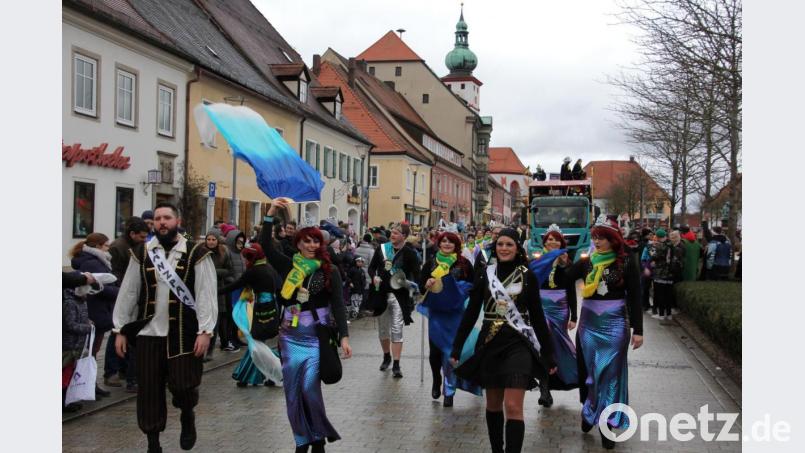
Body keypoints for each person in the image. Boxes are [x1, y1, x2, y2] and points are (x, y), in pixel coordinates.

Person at [112, 202, 217, 453]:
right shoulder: (142, 252)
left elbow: (206, 294)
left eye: (167, 217)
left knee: (183, 385)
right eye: (158, 218)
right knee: (149, 391)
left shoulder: (196, 253)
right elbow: (128, 292)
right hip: (149, 334)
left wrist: (206, 331)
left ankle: (187, 413)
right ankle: (153, 443)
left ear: (177, 221)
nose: (161, 222)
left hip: (183, 333)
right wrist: (120, 329)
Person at [451, 229, 556, 453]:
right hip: (489, 343)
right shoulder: (484, 273)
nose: (504, 248)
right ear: (495, 247)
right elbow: (470, 313)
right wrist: (457, 347)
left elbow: (537, 317)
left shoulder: (527, 275)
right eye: (500, 244)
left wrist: (548, 353)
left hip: (519, 344)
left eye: (509, 244)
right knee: (493, 405)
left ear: (518, 248)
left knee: (513, 405)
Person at [261, 199, 352, 453]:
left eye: (315, 241)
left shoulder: (329, 270)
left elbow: (338, 304)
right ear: (298, 243)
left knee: (309, 388)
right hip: (290, 334)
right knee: (292, 392)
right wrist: (270, 214)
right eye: (306, 241)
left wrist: (344, 336)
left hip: (316, 335)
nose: (311, 245)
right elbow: (266, 245)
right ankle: (303, 439)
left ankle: (318, 439)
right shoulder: (289, 265)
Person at [564, 219, 643, 449]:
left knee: (609, 373)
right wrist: (559, 263)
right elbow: (565, 279)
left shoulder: (626, 262)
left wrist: (638, 330)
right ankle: (589, 410)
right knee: (590, 372)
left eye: (602, 237)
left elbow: (636, 296)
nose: (597, 241)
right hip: (588, 325)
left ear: (613, 240)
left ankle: (608, 422)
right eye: (595, 237)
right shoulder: (587, 262)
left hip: (615, 324)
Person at [419, 232, 481, 407]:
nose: (446, 244)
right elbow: (421, 283)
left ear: (456, 245)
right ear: (439, 244)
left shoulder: (464, 264)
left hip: (456, 314)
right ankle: (436, 379)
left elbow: (473, 285)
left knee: (451, 352)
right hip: (437, 313)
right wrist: (427, 284)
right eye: (444, 241)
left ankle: (449, 390)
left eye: (450, 242)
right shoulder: (431, 263)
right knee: (435, 352)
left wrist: (460, 290)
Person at [218, 242, 282, 387]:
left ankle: (274, 371)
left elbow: (236, 285)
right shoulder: (267, 267)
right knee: (258, 342)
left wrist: (216, 292)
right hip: (272, 307)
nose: (246, 260)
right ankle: (265, 375)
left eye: (247, 257)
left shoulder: (254, 271)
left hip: (263, 310)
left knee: (256, 343)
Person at [367, 222, 421, 378]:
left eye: (396, 233)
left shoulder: (410, 253)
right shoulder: (382, 249)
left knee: (397, 329)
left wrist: (413, 286)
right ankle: (386, 356)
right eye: (392, 232)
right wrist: (374, 276)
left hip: (399, 295)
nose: (392, 235)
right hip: (381, 294)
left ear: (403, 236)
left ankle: (397, 364)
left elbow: (417, 275)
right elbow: (372, 268)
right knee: (383, 330)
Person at [70, 232, 119, 399]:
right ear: (98, 246)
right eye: (106, 245)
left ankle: (90, 384)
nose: (108, 248)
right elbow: (101, 287)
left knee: (92, 351)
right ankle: (85, 386)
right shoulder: (94, 263)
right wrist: (118, 292)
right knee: (90, 351)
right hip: (96, 311)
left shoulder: (93, 260)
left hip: (95, 310)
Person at [533, 227, 578, 408]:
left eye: (556, 240)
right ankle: (545, 389)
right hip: (541, 304)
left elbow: (571, 289)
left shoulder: (566, 262)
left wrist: (574, 315)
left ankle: (573, 374)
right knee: (545, 342)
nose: (552, 243)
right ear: (544, 243)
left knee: (559, 344)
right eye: (549, 240)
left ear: (561, 244)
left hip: (560, 306)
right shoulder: (538, 261)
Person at [107, 217, 150, 392]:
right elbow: (115, 273)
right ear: (132, 234)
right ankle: (113, 372)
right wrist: (126, 292)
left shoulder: (139, 247)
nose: (144, 240)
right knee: (118, 335)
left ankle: (126, 372)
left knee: (132, 340)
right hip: (123, 296)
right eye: (141, 237)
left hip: (135, 297)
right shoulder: (119, 248)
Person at [63, 271, 95, 412]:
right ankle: (64, 402)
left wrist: (87, 322)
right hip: (69, 345)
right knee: (65, 374)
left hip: (77, 345)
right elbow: (69, 324)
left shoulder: (81, 301)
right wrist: (87, 327)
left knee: (71, 373)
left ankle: (69, 399)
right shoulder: (70, 303)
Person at [204, 230, 233, 362]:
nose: (210, 242)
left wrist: (214, 272)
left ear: (217, 241)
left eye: (213, 239)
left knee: (215, 321)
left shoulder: (223, 253)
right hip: (203, 291)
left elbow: (229, 270)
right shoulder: (200, 252)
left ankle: (210, 350)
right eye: (208, 239)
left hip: (218, 291)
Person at [644, 228, 682, 321]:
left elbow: (653, 256)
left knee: (660, 294)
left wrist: (651, 247)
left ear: (657, 237)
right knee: (668, 295)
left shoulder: (659, 246)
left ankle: (661, 314)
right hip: (670, 274)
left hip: (660, 274)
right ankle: (668, 314)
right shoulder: (672, 245)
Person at [223, 227, 247, 351]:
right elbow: (223, 269)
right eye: (238, 242)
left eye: (242, 243)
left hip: (241, 288)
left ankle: (236, 337)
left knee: (238, 315)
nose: (240, 245)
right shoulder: (227, 252)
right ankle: (229, 340)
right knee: (230, 315)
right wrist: (231, 279)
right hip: (231, 288)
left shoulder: (242, 254)